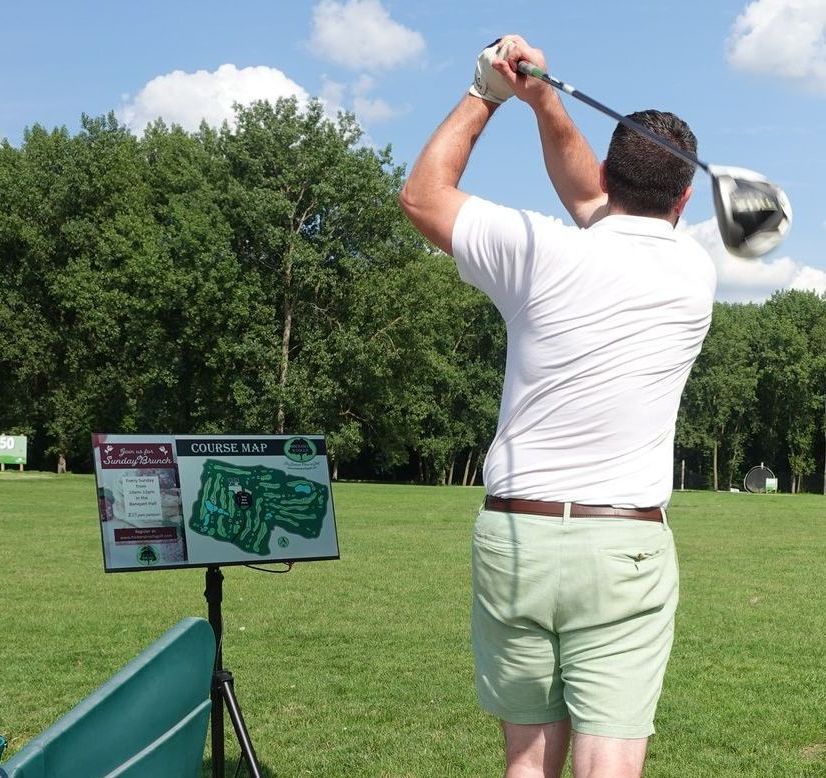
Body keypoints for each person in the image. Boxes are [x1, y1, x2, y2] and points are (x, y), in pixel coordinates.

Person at [399, 35, 716, 778]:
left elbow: (423, 196)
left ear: (610, 173)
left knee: (527, 765)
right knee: (610, 765)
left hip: (518, 537)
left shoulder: (541, 251)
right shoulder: (692, 275)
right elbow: (594, 202)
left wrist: (488, 92)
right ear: (685, 197)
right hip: (624, 547)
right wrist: (543, 99)